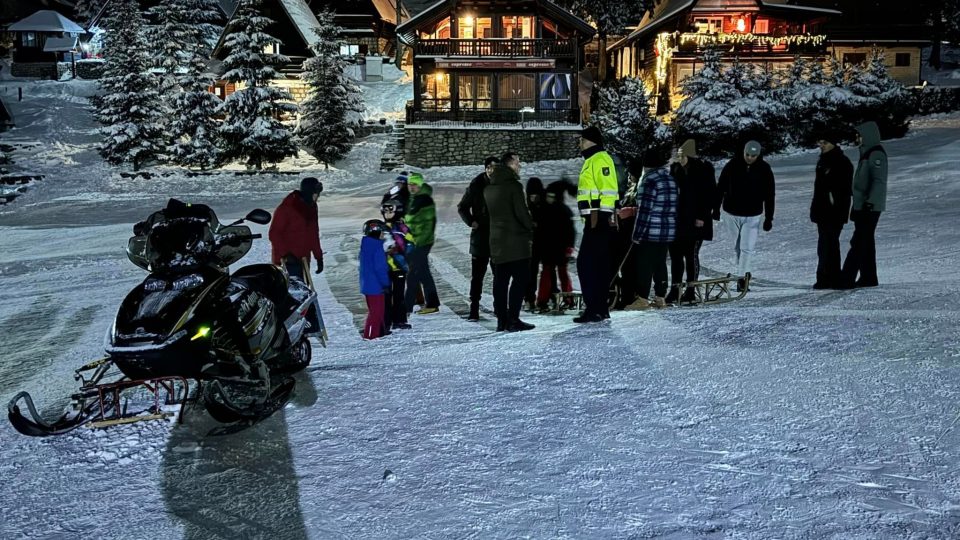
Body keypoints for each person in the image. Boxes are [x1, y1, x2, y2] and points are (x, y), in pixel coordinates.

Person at [484, 151, 535, 332]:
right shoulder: (513, 186)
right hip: (516, 242)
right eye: (517, 162)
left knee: (500, 281)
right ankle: (513, 319)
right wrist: (531, 227)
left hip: (496, 242)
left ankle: (501, 320)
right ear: (509, 164)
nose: (519, 166)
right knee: (521, 279)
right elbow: (522, 214)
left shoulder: (489, 187)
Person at [714, 140, 775, 291]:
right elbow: (721, 186)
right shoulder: (732, 165)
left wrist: (769, 217)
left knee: (747, 247)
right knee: (738, 248)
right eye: (747, 154)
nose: (749, 157)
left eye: (753, 155)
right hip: (731, 213)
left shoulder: (764, 169)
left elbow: (770, 194)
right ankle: (744, 273)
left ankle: (742, 279)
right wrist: (715, 208)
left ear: (758, 155)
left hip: (753, 215)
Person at [622, 148, 678, 309]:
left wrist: (637, 233)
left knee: (645, 263)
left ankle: (643, 298)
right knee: (660, 262)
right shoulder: (670, 179)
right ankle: (660, 296)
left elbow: (644, 211)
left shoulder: (648, 180)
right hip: (667, 230)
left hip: (651, 230)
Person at [575, 126, 618, 323]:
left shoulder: (600, 159)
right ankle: (599, 308)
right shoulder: (592, 160)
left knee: (587, 265)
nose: (580, 143)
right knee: (595, 266)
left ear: (592, 141)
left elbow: (608, 190)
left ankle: (595, 307)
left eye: (583, 140)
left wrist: (602, 216)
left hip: (597, 221)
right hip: (593, 221)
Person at [667, 139, 717, 303]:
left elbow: (709, 195)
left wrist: (702, 216)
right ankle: (675, 288)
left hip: (696, 220)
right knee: (675, 255)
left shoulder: (703, 170)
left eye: (682, 155)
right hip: (678, 220)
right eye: (678, 155)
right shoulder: (675, 170)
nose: (679, 158)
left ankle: (691, 288)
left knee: (690, 254)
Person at [839, 121, 888, 289]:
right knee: (865, 241)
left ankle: (846, 278)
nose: (857, 138)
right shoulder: (867, 152)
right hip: (863, 205)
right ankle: (869, 277)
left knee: (859, 241)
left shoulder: (876, 154)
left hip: (870, 206)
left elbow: (878, 181)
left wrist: (870, 203)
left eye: (859, 135)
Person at [810, 130, 854, 289]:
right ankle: (825, 277)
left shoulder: (842, 162)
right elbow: (818, 189)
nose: (821, 146)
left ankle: (831, 278)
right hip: (823, 211)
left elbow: (844, 190)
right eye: (820, 143)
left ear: (834, 144)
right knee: (825, 245)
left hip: (834, 212)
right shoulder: (822, 161)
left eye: (825, 143)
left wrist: (836, 206)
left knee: (830, 244)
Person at [457, 156, 498, 321]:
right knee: (477, 277)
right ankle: (474, 308)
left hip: (498, 237)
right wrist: (471, 221)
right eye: (489, 167)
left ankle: (499, 306)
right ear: (485, 168)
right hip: (480, 237)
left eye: (495, 167)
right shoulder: (476, 185)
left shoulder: (502, 184)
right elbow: (462, 207)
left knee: (499, 275)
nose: (491, 170)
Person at [269, 176, 324, 276]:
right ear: (309, 193)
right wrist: (286, 254)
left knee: (304, 289)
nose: (318, 196)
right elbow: (274, 233)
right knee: (290, 290)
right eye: (316, 194)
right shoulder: (288, 207)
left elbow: (313, 233)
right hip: (286, 262)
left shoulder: (311, 207)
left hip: (303, 260)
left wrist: (319, 257)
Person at [535, 180, 576, 312]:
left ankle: (566, 298)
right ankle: (545, 300)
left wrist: (569, 247)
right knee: (549, 273)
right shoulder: (552, 210)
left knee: (559, 273)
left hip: (556, 248)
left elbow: (570, 232)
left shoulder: (558, 211)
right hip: (551, 248)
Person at [404, 172, 441, 314]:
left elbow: (428, 225)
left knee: (413, 274)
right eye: (410, 184)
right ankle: (432, 303)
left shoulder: (424, 200)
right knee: (424, 273)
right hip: (414, 242)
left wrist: (418, 244)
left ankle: (405, 308)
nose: (411, 187)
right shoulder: (414, 198)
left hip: (421, 243)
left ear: (420, 185)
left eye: (414, 184)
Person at [381, 199, 414, 329]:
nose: (387, 213)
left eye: (390, 210)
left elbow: (411, 244)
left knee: (399, 295)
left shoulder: (403, 228)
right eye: (385, 210)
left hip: (399, 267)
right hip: (384, 268)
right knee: (386, 295)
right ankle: (386, 320)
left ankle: (399, 320)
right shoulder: (380, 227)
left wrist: (402, 252)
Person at [359, 219, 391, 340]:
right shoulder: (377, 247)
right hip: (375, 285)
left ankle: (381, 330)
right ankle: (371, 334)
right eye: (382, 232)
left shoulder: (366, 245)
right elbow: (380, 268)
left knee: (377, 309)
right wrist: (385, 283)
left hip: (367, 284)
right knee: (376, 312)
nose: (383, 235)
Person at [525, 177, 546, 311]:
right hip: (532, 244)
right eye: (531, 195)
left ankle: (548, 297)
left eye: (536, 195)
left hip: (544, 242)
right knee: (531, 272)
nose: (533, 198)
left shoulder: (546, 204)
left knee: (548, 271)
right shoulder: (525, 205)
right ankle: (529, 298)